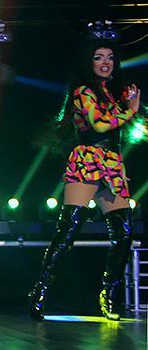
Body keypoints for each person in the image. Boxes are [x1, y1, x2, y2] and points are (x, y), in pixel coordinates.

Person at [28, 41, 139, 321]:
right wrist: (130, 110)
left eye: (110, 57)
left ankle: (108, 294)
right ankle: (40, 291)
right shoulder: (83, 92)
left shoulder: (112, 93)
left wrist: (131, 108)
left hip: (112, 162)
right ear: (88, 63)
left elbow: (119, 128)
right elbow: (99, 124)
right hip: (88, 159)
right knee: (68, 230)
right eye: (99, 57)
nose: (106, 62)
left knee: (124, 234)